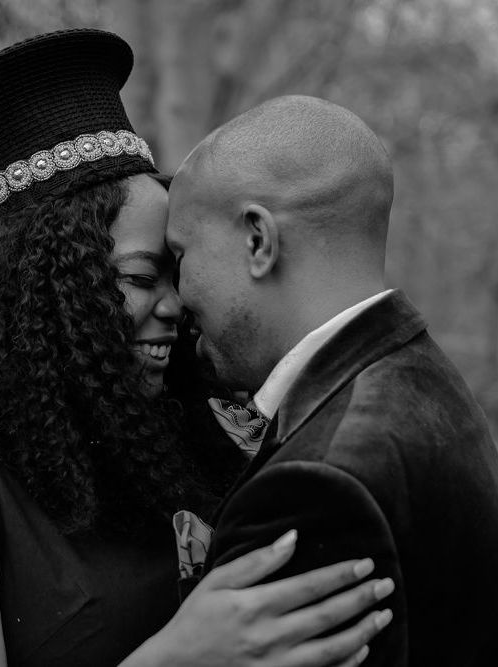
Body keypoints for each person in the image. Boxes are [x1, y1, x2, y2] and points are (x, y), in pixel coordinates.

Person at [0, 33, 392, 667]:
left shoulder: (187, 439)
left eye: (178, 271)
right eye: (142, 278)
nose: (176, 305)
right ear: (40, 296)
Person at [166, 94, 498, 666]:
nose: (178, 296)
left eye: (181, 254)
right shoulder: (422, 376)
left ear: (258, 241)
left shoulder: (314, 485)